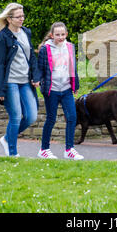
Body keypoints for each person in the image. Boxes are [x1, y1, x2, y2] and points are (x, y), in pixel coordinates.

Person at [0, 3, 39, 157]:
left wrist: (36, 76)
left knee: (31, 116)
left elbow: (32, 57)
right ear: (9, 19)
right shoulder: (2, 37)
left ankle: (6, 138)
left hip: (25, 81)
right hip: (9, 82)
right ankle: (12, 153)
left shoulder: (26, 32)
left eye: (23, 16)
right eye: (18, 17)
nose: (22, 19)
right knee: (16, 116)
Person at [33, 22, 84, 160]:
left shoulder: (70, 47)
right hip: (52, 90)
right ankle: (44, 149)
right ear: (52, 35)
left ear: (66, 34)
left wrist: (75, 85)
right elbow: (40, 68)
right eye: (57, 35)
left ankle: (69, 149)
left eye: (63, 34)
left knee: (72, 117)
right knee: (51, 119)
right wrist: (36, 79)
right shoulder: (45, 49)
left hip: (66, 88)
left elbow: (73, 67)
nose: (60, 37)